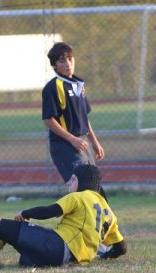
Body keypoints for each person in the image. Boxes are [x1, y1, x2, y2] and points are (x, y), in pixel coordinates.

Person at [42, 42, 108, 199]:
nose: (68, 64)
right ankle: (79, 222)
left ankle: (103, 221)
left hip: (82, 142)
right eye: (62, 61)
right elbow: (49, 120)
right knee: (81, 187)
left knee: (94, 183)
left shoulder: (79, 85)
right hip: (65, 144)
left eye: (70, 59)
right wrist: (73, 140)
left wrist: (94, 141)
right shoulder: (53, 87)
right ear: (54, 65)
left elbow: (84, 117)